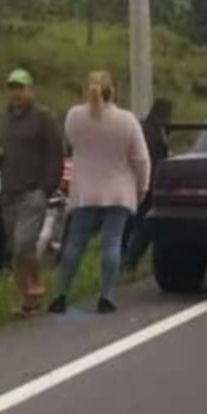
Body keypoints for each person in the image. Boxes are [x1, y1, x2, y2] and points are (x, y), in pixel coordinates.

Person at [50, 71, 151, 315]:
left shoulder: (74, 117)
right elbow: (141, 159)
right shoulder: (126, 120)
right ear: (113, 90)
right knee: (112, 243)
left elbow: (71, 143)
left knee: (75, 243)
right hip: (118, 191)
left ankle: (61, 294)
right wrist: (143, 187)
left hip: (84, 191)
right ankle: (106, 296)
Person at [0, 68, 64, 316]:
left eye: (20, 88)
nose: (16, 93)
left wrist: (45, 189)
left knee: (24, 243)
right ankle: (28, 297)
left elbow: (57, 156)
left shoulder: (45, 118)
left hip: (33, 193)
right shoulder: (5, 119)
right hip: (9, 191)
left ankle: (33, 286)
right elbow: (1, 156)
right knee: (17, 247)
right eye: (12, 88)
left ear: (31, 90)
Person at [124, 97, 174, 272]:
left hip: (130, 182)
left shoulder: (141, 127)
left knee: (129, 223)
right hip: (148, 184)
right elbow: (156, 161)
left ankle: (123, 259)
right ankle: (131, 261)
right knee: (146, 226)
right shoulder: (155, 135)